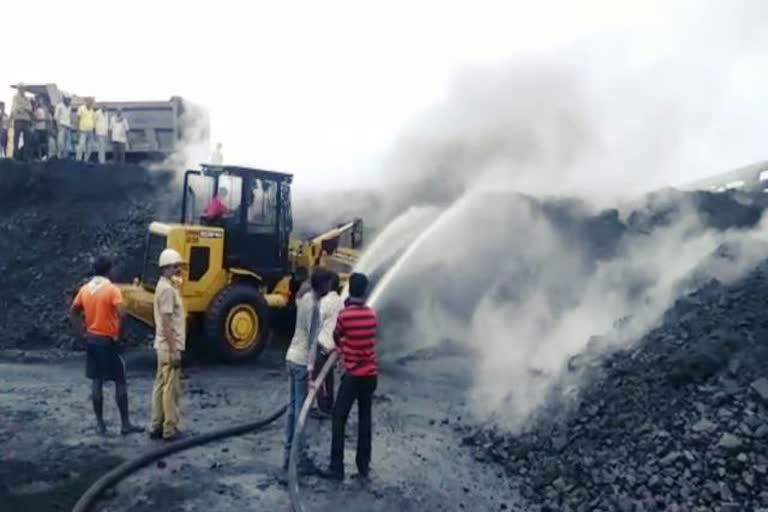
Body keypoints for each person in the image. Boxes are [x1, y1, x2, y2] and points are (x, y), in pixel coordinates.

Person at [70, 256, 144, 436]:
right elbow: (123, 315)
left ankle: (100, 425)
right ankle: (125, 424)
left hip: (92, 339)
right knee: (120, 380)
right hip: (108, 340)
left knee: (96, 381)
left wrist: (82, 334)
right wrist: (120, 336)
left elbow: (73, 312)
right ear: (108, 270)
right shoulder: (112, 290)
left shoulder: (85, 289)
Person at [323, 272, 378, 481]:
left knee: (339, 417)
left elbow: (337, 336)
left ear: (351, 289)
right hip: (370, 375)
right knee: (365, 418)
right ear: (364, 291)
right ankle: (363, 466)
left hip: (353, 375)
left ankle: (337, 468)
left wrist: (343, 347)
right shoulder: (372, 315)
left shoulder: (345, 316)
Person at [284, 269, 330, 472]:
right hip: (302, 361)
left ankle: (289, 454)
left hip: (291, 357)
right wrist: (312, 371)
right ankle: (299, 458)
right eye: (328, 284)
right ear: (322, 286)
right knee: (301, 413)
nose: (331, 288)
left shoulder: (303, 299)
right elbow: (312, 341)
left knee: (293, 409)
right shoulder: (314, 306)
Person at [149, 248, 187, 442]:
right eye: (175, 266)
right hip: (168, 346)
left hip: (162, 345)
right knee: (170, 388)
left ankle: (156, 425)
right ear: (165, 268)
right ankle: (169, 429)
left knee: (160, 384)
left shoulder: (165, 286)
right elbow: (166, 322)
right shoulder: (166, 290)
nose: (178, 269)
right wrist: (174, 350)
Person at [311, 271, 343, 416]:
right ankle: (330, 405)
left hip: (323, 345)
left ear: (329, 284)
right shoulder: (341, 302)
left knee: (316, 378)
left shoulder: (325, 302)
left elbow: (318, 322)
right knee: (329, 377)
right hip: (335, 348)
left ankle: (322, 407)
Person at [11, 86, 32, 161]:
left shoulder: (27, 98)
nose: (23, 90)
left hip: (26, 120)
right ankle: (16, 156)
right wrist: (24, 108)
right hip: (18, 120)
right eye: (21, 88)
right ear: (19, 89)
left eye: (23, 88)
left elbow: (30, 108)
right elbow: (16, 108)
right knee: (16, 139)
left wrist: (23, 108)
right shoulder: (15, 97)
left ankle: (26, 157)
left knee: (27, 139)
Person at [76, 98, 96, 162]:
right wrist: (78, 129)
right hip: (83, 131)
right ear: (86, 101)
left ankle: (86, 160)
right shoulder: (81, 108)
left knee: (90, 147)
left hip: (90, 131)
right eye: (89, 102)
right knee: (81, 146)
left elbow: (93, 121)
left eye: (91, 102)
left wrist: (94, 130)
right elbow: (78, 119)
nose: (90, 103)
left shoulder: (92, 111)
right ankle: (78, 160)